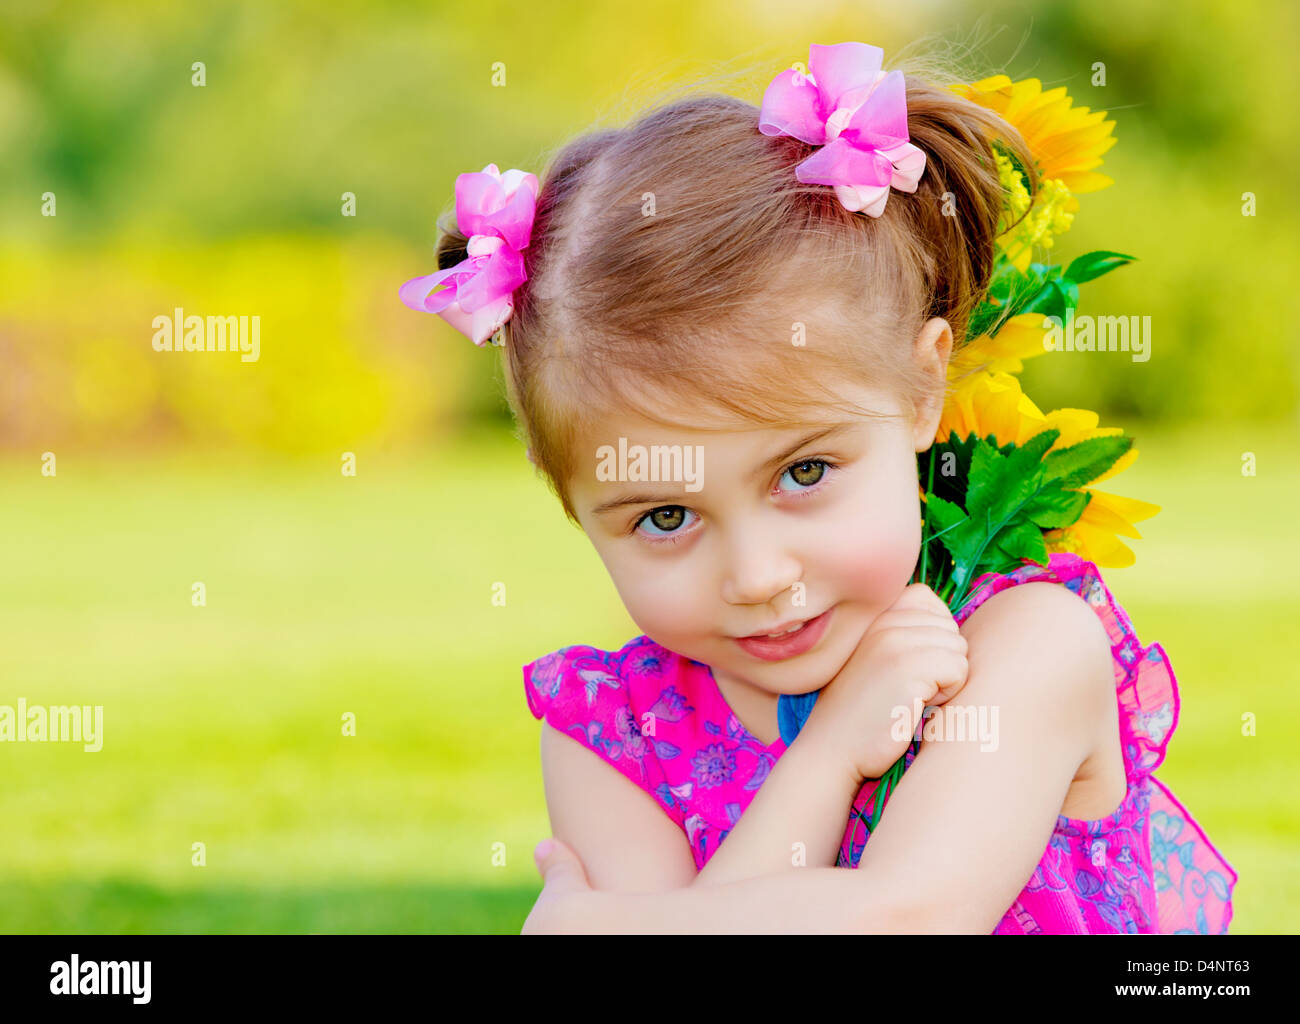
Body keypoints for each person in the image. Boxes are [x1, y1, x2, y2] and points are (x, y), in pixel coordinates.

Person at [401, 41, 1236, 933]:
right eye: (666, 514)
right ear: (570, 499)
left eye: (804, 472)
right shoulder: (613, 736)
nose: (759, 574)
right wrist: (831, 751)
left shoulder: (1023, 649)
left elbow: (910, 917)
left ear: (922, 393)